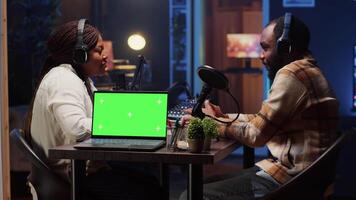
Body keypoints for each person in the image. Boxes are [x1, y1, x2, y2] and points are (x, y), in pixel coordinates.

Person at [180, 13, 339, 200]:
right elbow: (263, 119)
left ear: (284, 47)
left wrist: (211, 124)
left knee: (191, 195)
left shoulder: (292, 74)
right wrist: (221, 116)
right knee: (201, 185)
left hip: (293, 182)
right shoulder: (307, 70)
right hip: (305, 177)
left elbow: (256, 135)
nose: (261, 56)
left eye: (265, 48)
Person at [24, 20, 163, 200]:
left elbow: (107, 115)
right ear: (80, 54)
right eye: (99, 50)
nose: (106, 55)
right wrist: (128, 124)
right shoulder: (63, 80)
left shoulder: (82, 80)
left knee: (151, 182)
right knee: (147, 192)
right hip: (71, 177)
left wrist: (149, 119)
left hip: (83, 171)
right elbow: (78, 129)